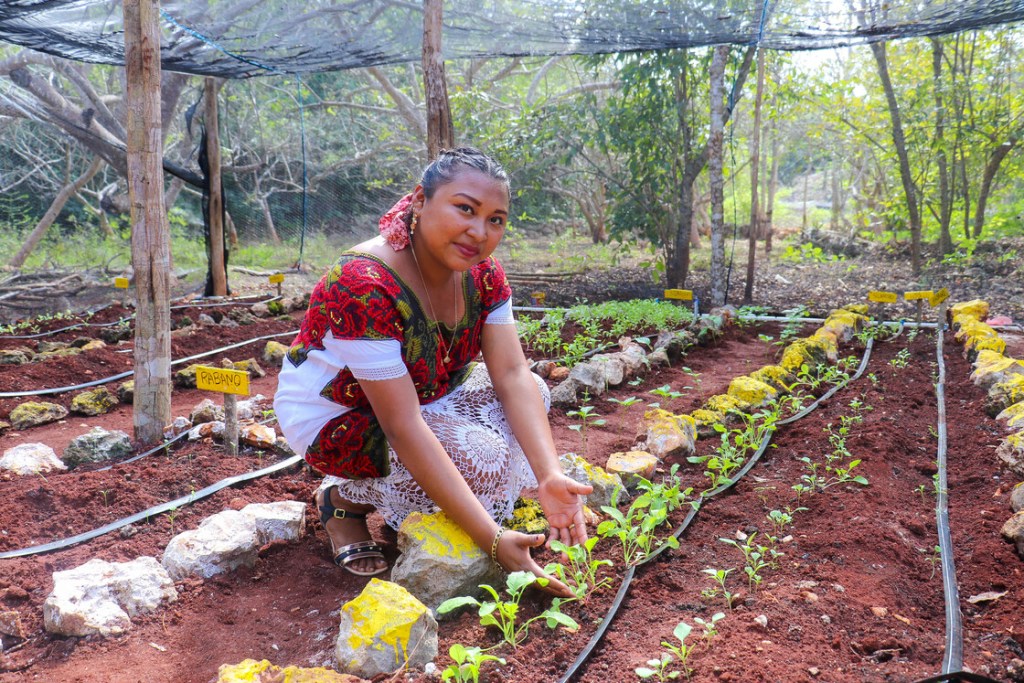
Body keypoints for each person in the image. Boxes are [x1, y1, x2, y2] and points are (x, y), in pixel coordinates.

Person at [274, 147, 591, 596]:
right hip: (339, 417)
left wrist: (548, 475)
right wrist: (493, 541)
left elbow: (513, 373)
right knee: (476, 458)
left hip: (427, 390)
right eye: (465, 208)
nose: (479, 232)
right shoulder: (363, 284)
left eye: (496, 219)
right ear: (420, 202)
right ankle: (343, 499)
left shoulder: (484, 274)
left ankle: (415, 495)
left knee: (534, 393)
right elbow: (402, 425)